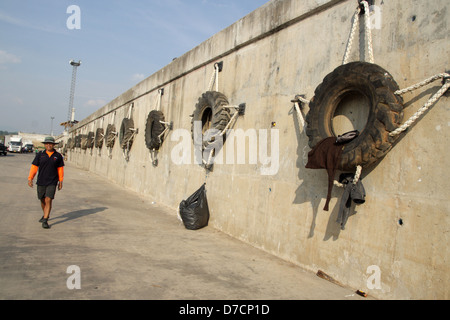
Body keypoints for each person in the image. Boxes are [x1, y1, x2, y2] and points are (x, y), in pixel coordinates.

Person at [28, 137, 65, 229]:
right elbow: (34, 167)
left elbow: (60, 169)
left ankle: (45, 220)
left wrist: (60, 181)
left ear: (53, 145)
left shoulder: (58, 156)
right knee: (42, 199)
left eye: (51, 144)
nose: (49, 145)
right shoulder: (40, 155)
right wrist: (30, 178)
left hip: (52, 181)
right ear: (45, 145)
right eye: (47, 143)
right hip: (41, 181)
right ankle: (45, 214)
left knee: (49, 199)